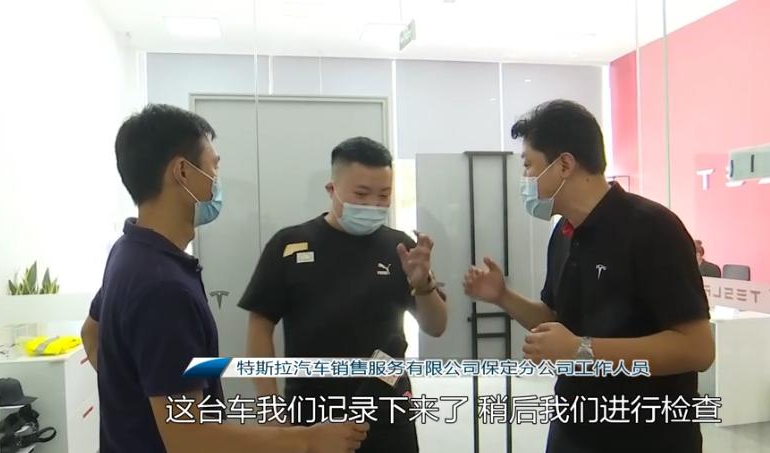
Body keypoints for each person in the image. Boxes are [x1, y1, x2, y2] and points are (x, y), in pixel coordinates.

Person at [79, 104, 368, 453]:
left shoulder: (128, 250)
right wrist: (307, 439)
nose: (217, 179)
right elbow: (189, 438)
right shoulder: (164, 289)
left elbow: (91, 334)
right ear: (183, 172)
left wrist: (132, 397)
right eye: (213, 166)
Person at [463, 100, 714, 453]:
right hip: (574, 426)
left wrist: (581, 350)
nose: (525, 179)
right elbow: (558, 320)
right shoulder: (564, 233)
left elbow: (696, 349)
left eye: (528, 165)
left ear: (564, 164)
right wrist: (503, 296)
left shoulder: (652, 228)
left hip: (646, 436)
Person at [239, 136, 448, 453]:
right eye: (361, 194)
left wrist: (423, 285)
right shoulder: (289, 245)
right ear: (332, 189)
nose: (373, 205)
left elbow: (436, 326)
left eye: (384, 195)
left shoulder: (401, 248)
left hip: (388, 408)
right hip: (312, 411)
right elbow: (260, 325)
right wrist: (270, 407)